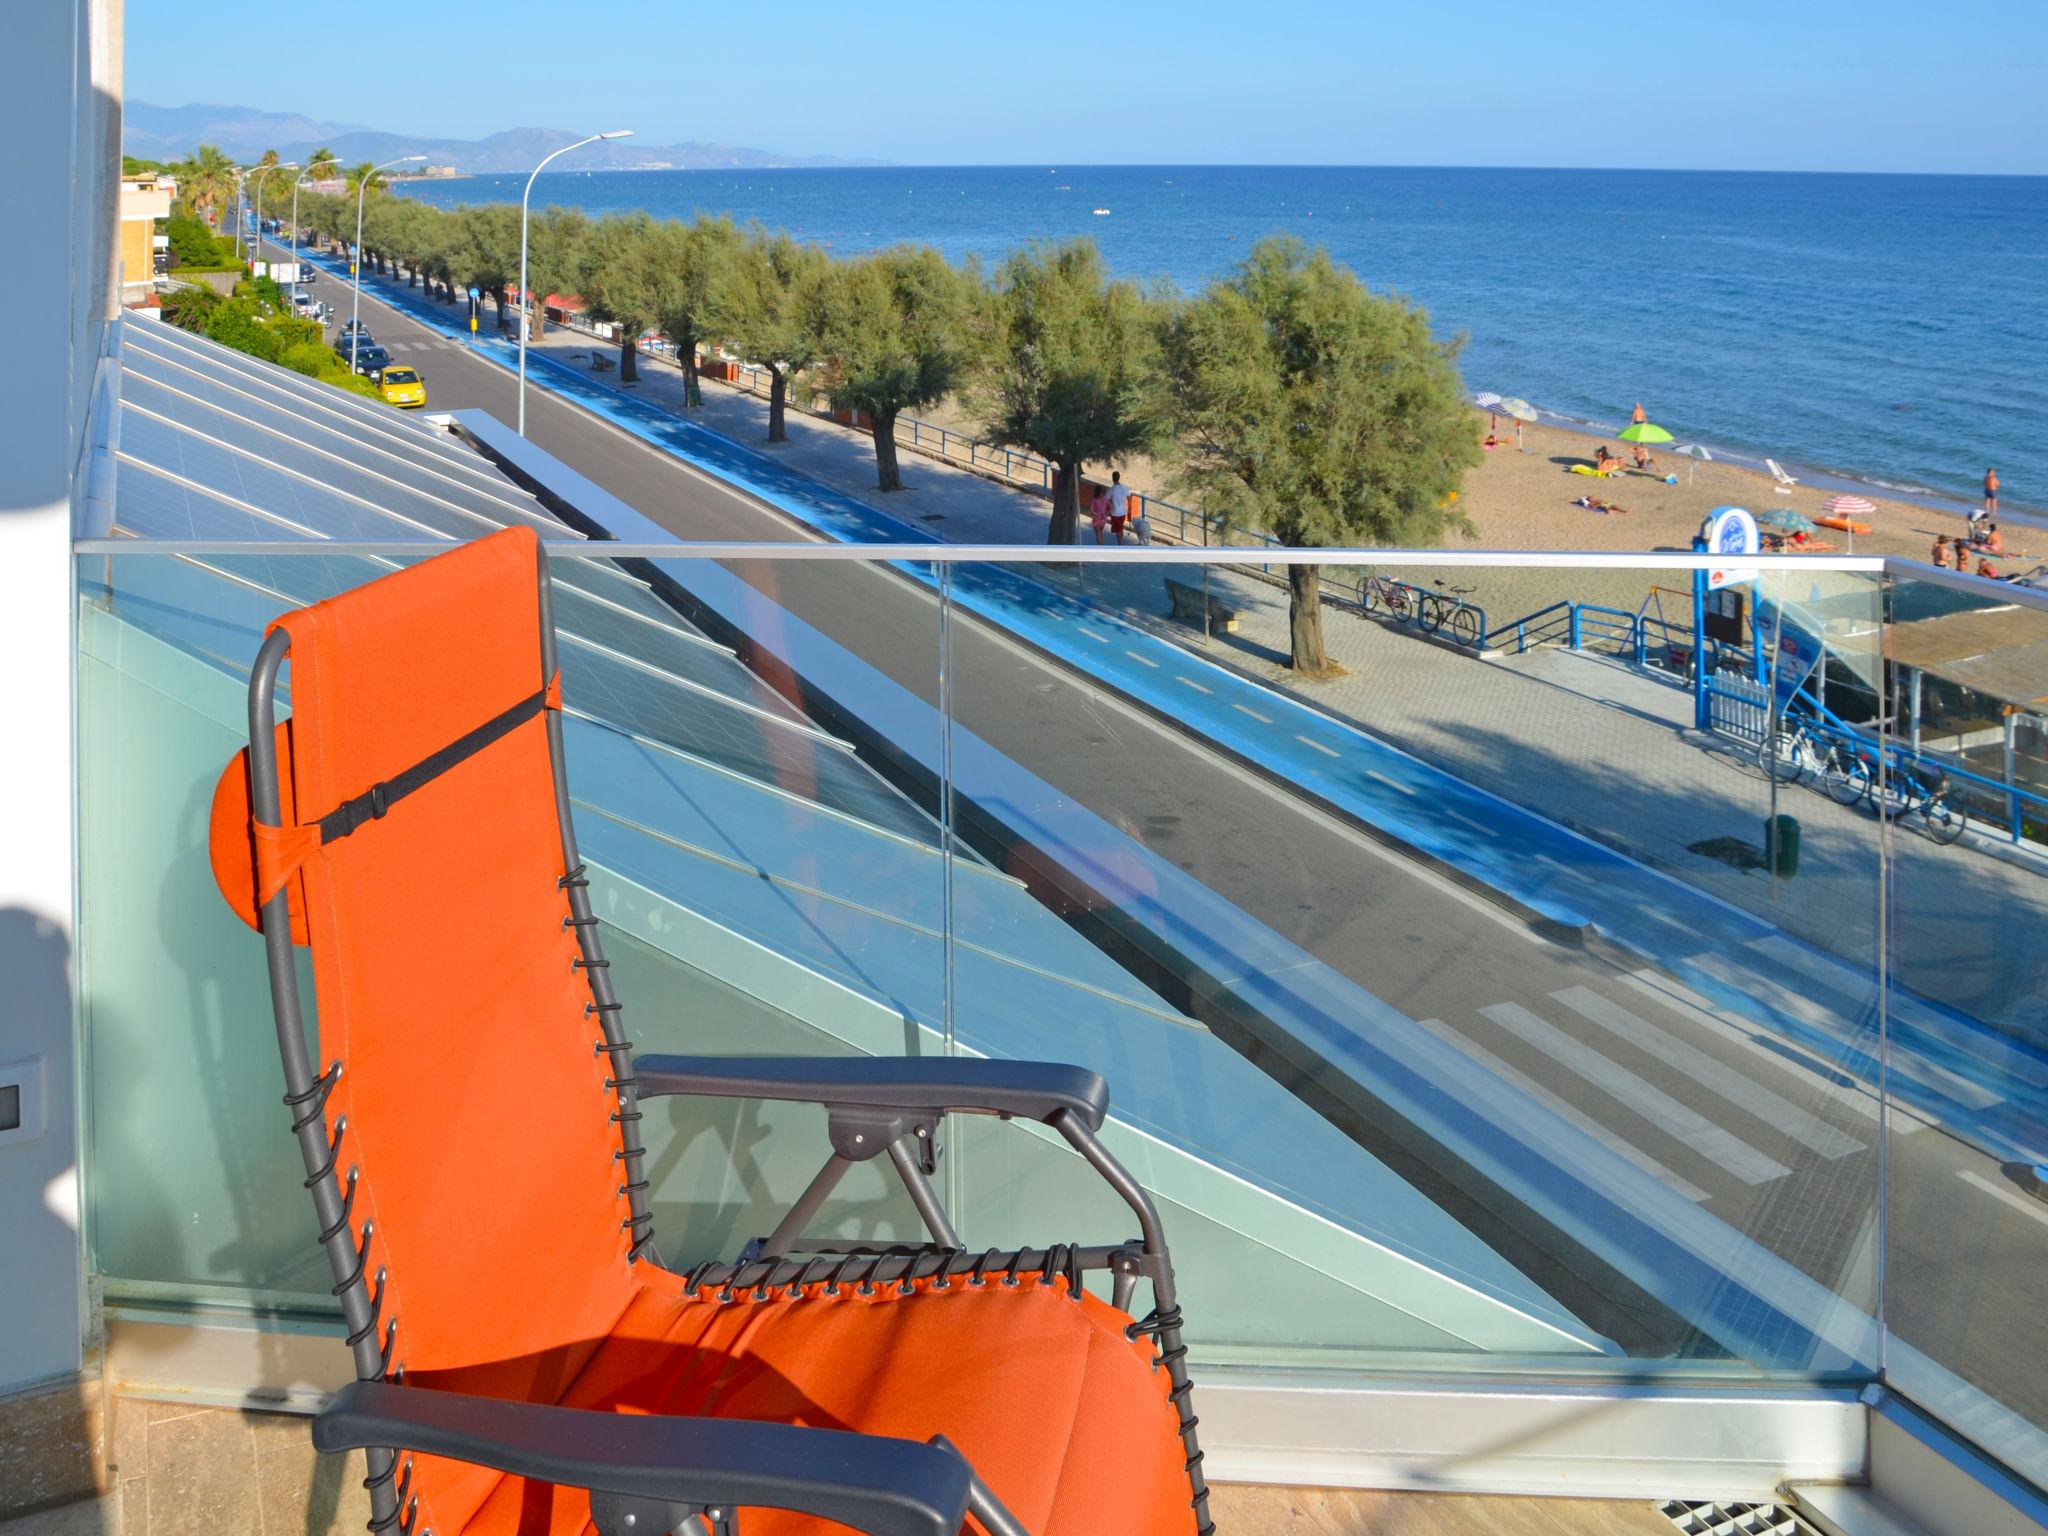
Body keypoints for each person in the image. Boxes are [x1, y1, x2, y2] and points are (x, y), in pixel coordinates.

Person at [1106, 470, 1132, 544]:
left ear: (1112, 478)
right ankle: (1121, 543)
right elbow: (1129, 499)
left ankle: (1120, 544)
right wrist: (1129, 508)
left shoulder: (1111, 489)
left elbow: (1105, 499)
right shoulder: (1124, 488)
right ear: (1119, 478)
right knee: (1120, 527)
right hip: (1123, 512)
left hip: (1115, 513)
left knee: (1118, 529)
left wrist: (1111, 505)